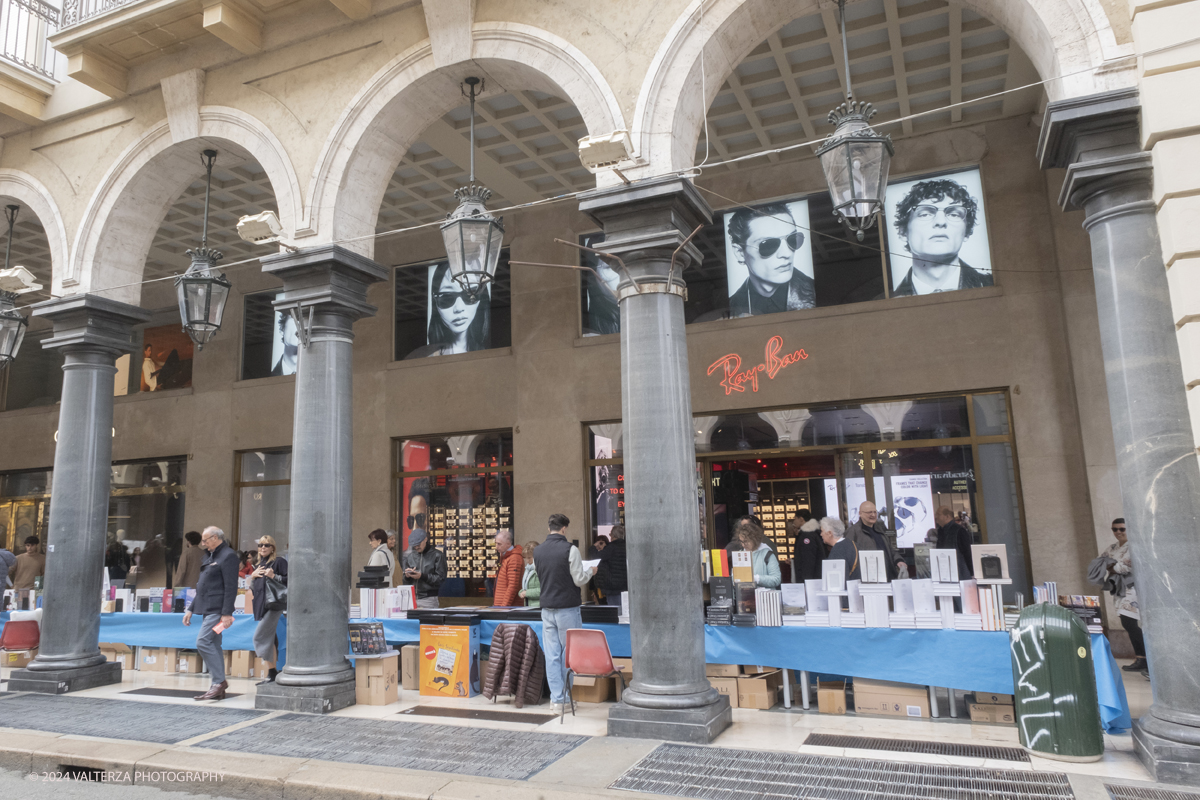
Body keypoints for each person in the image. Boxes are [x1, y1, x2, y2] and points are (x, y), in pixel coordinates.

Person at [534, 514, 596, 712]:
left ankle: (557, 699)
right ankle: (564, 697)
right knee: (569, 653)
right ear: (564, 529)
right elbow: (578, 579)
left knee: (552, 655)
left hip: (546, 608)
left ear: (550, 527)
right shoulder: (571, 549)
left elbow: (541, 575)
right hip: (567, 607)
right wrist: (591, 572)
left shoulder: (538, 551)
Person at [891, 178, 992, 296]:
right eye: (925, 214)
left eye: (954, 214)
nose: (940, 221)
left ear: (967, 231)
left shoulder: (993, 283)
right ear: (903, 232)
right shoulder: (883, 303)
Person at [726, 203, 816, 317]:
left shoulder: (820, 293)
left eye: (792, 239)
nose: (786, 253)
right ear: (739, 253)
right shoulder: (730, 307)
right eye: (768, 245)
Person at [183, 526, 239, 701]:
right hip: (207, 608)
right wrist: (191, 608)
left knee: (203, 641)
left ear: (215, 538)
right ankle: (218, 685)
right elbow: (203, 585)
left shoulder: (228, 556)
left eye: (205, 540)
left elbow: (231, 587)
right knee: (214, 644)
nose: (203, 543)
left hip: (218, 609)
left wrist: (227, 613)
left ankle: (219, 682)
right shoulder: (210, 555)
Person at [407, 261, 491, 358]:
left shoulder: (490, 357)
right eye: (447, 298)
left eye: (469, 295)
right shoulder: (419, 358)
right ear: (435, 303)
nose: (459, 308)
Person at [1099, 518, 1146, 675]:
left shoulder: (1133, 546)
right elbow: (1100, 562)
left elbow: (1122, 567)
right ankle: (1141, 658)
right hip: (1118, 589)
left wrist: (1112, 566)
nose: (1118, 532)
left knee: (1129, 623)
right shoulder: (1112, 547)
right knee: (1127, 624)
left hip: (1132, 589)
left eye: (1122, 529)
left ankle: (1146, 658)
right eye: (1115, 529)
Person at [248, 535, 287, 684]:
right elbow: (255, 588)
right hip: (261, 605)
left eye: (266, 545)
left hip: (274, 605)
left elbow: (291, 579)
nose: (263, 547)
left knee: (260, 637)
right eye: (260, 545)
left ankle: (272, 671)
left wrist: (274, 576)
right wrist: (252, 577)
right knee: (270, 639)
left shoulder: (279, 562)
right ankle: (272, 673)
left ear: (272, 548)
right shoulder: (258, 564)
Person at [845, 501, 904, 581]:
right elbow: (848, 557)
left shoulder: (880, 529)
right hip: (869, 579)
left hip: (889, 576)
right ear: (860, 513)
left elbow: (889, 549)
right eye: (869, 512)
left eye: (875, 512)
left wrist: (898, 560)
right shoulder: (853, 532)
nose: (873, 515)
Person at [402, 528, 446, 608]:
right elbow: (404, 580)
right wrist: (407, 576)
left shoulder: (437, 555)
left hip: (429, 599)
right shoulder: (410, 556)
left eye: (418, 544)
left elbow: (440, 578)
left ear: (426, 539)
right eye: (414, 545)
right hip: (411, 598)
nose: (416, 547)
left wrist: (422, 576)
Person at [734, 517, 781, 588]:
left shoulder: (767, 554)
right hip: (744, 596)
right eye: (741, 541)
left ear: (755, 539)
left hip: (764, 596)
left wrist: (757, 579)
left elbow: (776, 579)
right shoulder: (740, 554)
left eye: (746, 541)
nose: (743, 545)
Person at [934, 507, 974, 579]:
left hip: (960, 573)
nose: (936, 517)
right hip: (944, 573)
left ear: (947, 516)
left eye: (938, 514)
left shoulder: (959, 531)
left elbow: (967, 552)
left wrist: (971, 572)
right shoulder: (940, 531)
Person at [595, 524, 628, 606]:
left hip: (613, 587)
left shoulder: (611, 548)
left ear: (613, 535)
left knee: (616, 612)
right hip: (626, 585)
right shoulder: (628, 546)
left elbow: (596, 559)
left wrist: (594, 547)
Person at [820, 517, 861, 582]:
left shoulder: (838, 550)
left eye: (822, 531)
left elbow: (837, 580)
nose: (821, 534)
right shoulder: (853, 543)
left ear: (830, 533)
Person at [790, 512, 826, 583]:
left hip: (809, 580)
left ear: (801, 519)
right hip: (815, 578)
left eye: (795, 518)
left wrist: (806, 582)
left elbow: (808, 560)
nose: (793, 521)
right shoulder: (813, 533)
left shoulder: (807, 536)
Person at [491, 529, 524, 606]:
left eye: (499, 544)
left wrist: (504, 607)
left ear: (508, 544)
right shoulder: (506, 557)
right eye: (496, 543)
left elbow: (513, 586)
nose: (496, 547)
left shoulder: (514, 558)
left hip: (508, 607)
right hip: (502, 605)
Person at [519, 540, 541, 608]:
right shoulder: (528, 569)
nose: (527, 561)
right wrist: (521, 592)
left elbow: (545, 590)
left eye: (529, 558)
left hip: (539, 607)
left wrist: (526, 593)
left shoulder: (541, 568)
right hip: (529, 605)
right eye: (525, 558)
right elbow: (526, 587)